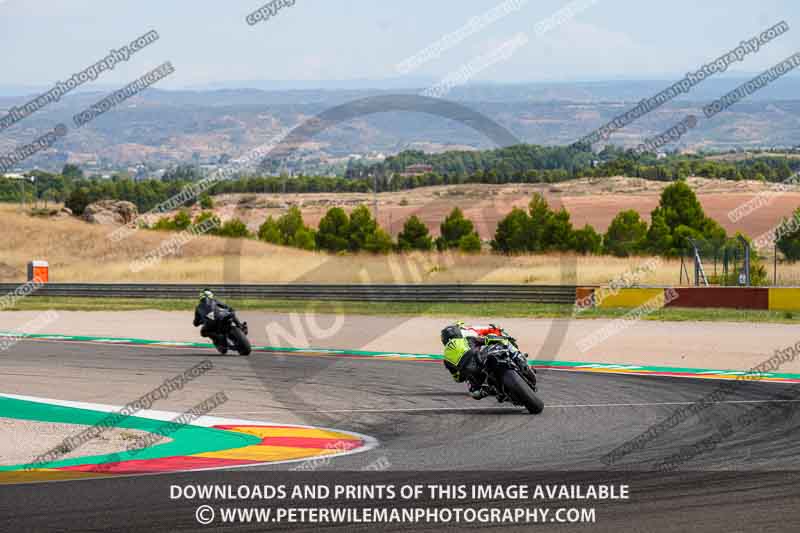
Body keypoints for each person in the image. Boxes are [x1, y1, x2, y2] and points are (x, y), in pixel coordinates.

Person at [440, 322, 536, 399]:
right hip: (486, 354)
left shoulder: (446, 357)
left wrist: (466, 373)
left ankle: (492, 390)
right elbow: (488, 338)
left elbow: (458, 378)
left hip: (476, 373)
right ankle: (521, 361)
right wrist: (503, 338)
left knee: (475, 393)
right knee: (506, 343)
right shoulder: (468, 337)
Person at [193, 289, 240, 354]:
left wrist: (201, 321)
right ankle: (240, 326)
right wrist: (230, 310)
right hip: (221, 318)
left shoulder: (198, 307)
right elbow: (227, 307)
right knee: (231, 314)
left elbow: (195, 323)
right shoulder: (214, 300)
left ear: (200, 297)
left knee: (203, 332)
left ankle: (219, 337)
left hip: (210, 324)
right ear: (211, 295)